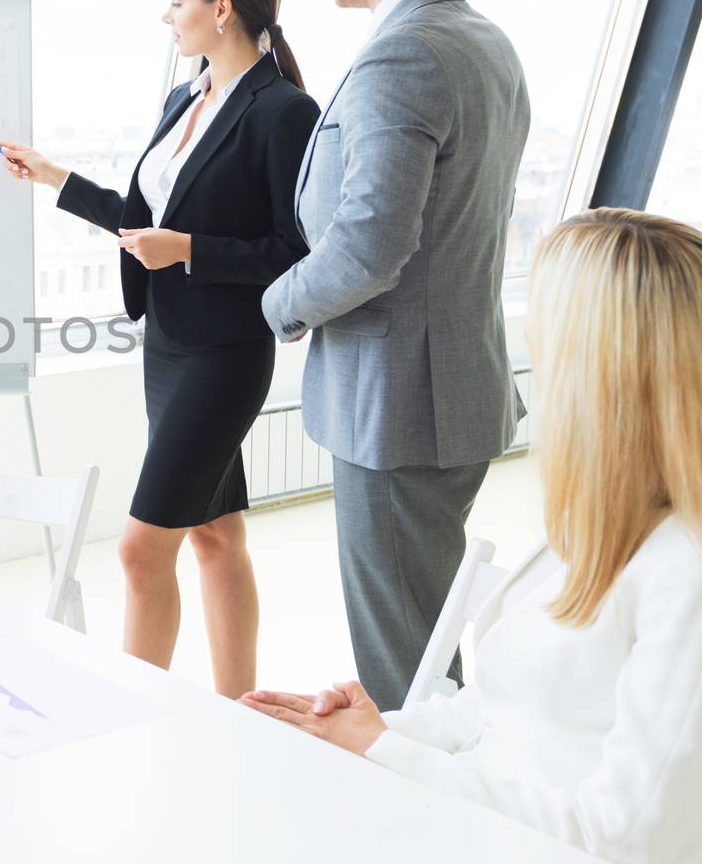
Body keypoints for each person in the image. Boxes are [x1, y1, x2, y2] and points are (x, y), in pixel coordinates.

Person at [242, 209, 702, 863]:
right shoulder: (598, 527)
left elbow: (623, 840)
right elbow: (497, 709)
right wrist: (360, 731)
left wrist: (383, 750)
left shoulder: (683, 573)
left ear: (594, 372)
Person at [0, 0, 318, 696]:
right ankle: (242, 703)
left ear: (221, 7)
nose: (165, 16)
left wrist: (192, 252)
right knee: (214, 531)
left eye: (176, 1)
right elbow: (146, 221)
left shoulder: (284, 112)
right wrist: (56, 177)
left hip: (226, 353)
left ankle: (135, 715)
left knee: (142, 550)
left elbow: (293, 250)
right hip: (169, 346)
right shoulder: (185, 98)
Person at [259, 0, 531, 708]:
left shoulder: (404, 54)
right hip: (449, 389)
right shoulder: (485, 41)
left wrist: (277, 302)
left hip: (397, 409)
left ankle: (441, 819)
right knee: (426, 639)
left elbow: (372, 246)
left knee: (405, 670)